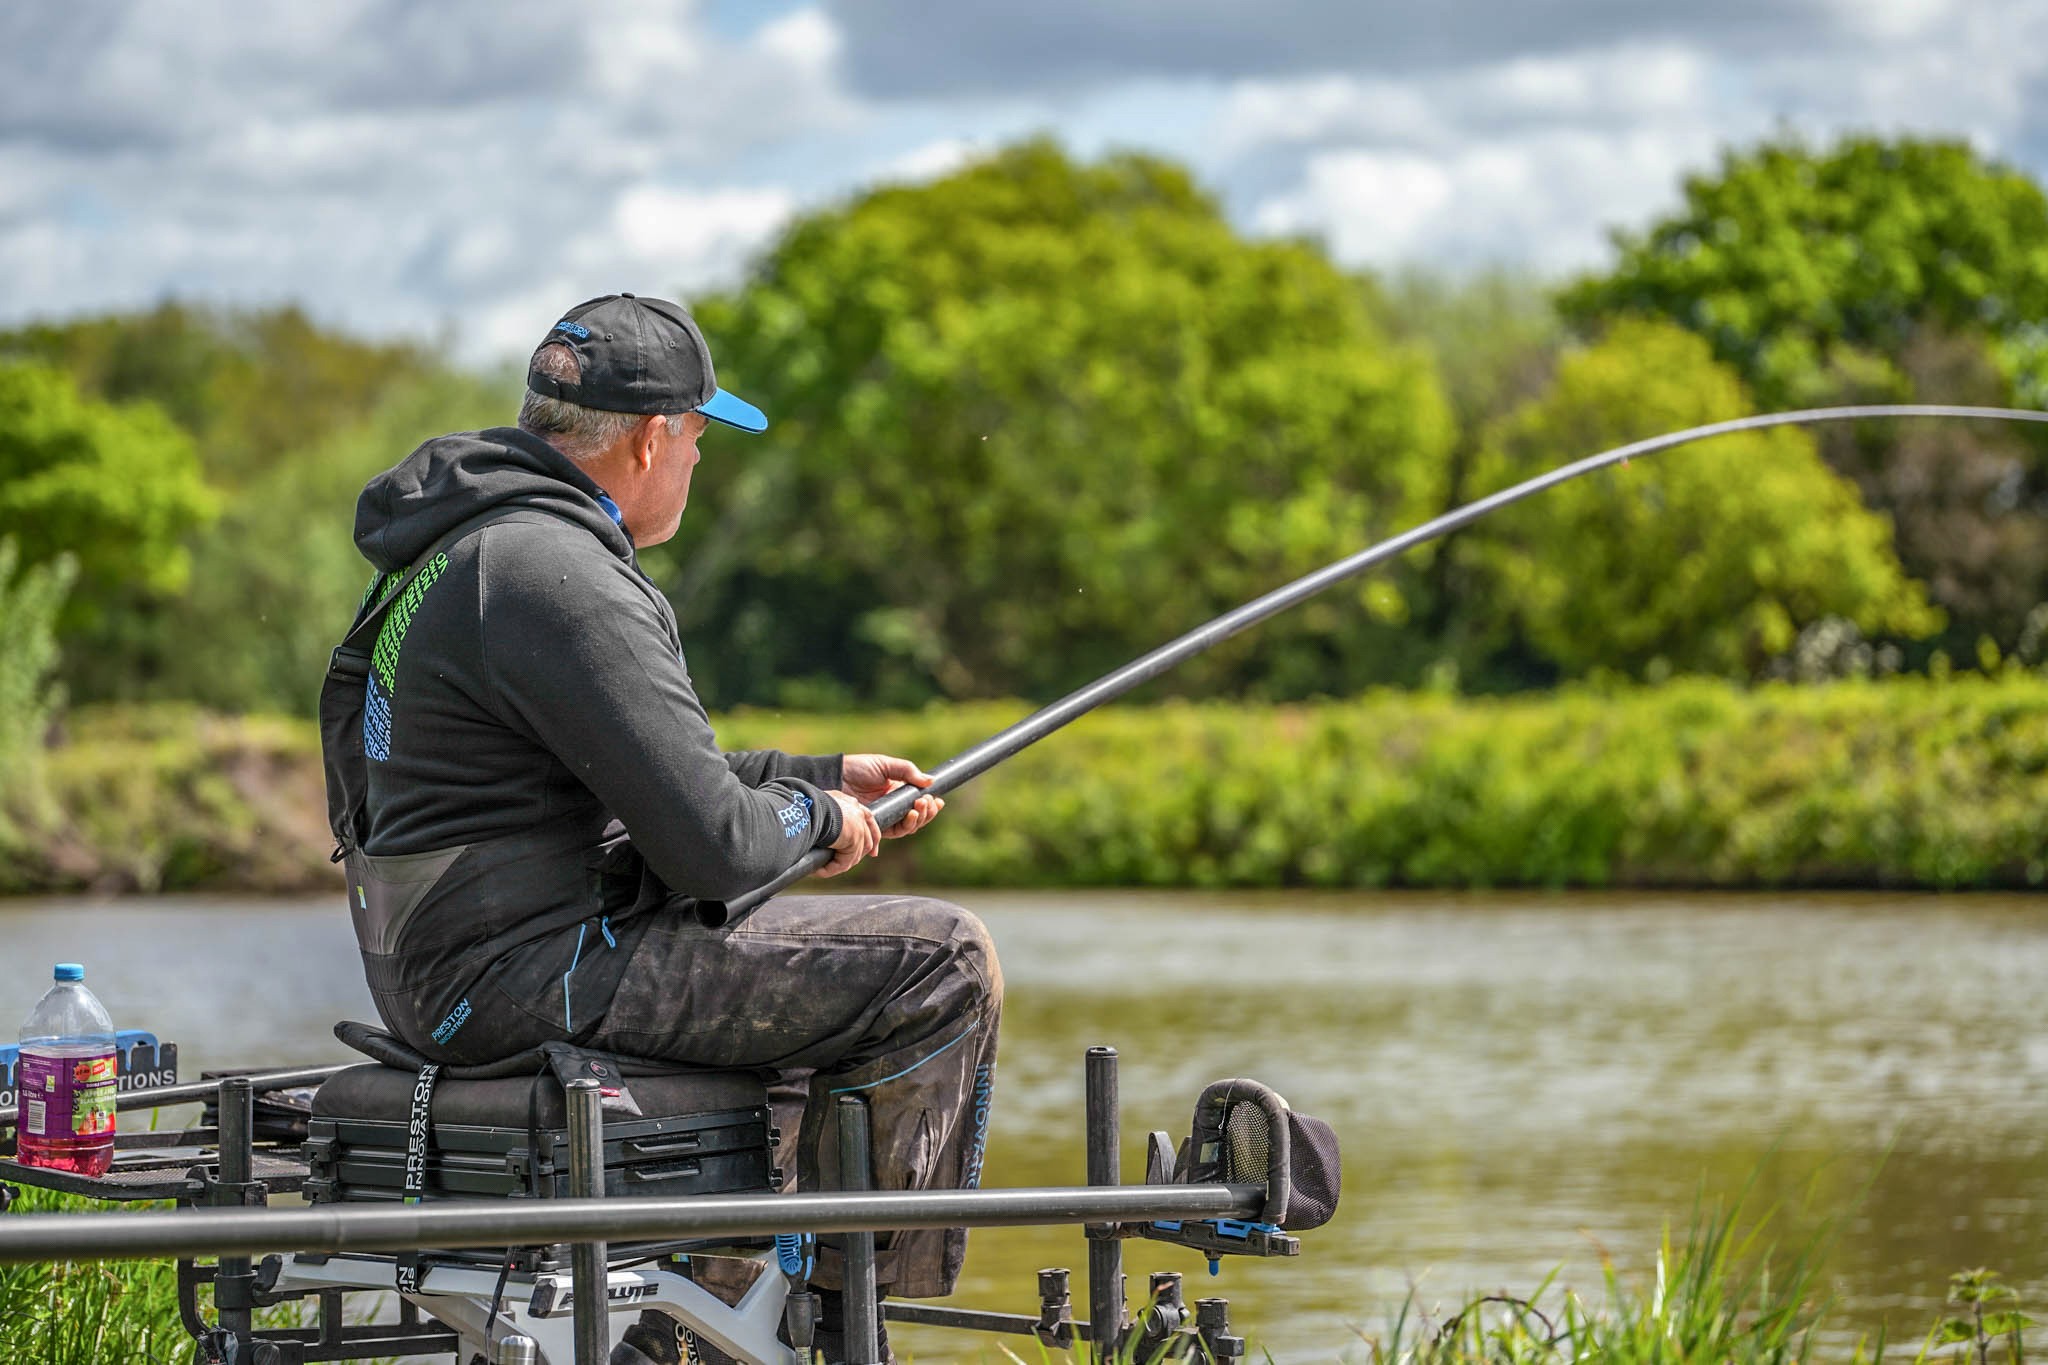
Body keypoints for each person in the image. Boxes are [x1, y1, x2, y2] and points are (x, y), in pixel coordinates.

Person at [327, 292, 1001, 1359]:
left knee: (800, 1006)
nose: (695, 463)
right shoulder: (560, 575)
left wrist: (814, 777)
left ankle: (687, 1322)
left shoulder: (476, 547)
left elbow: (636, 779)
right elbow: (712, 850)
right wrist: (816, 818)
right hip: (517, 975)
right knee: (939, 962)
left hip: (452, 970)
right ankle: (851, 1322)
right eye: (696, 441)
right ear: (650, 439)